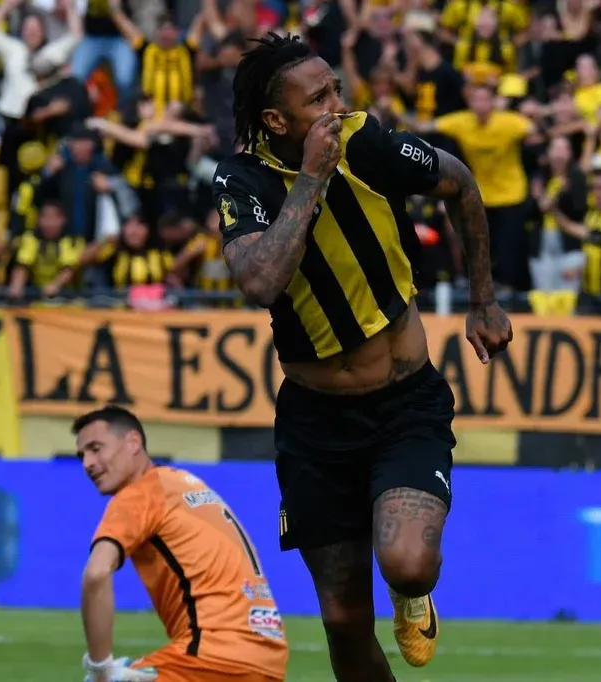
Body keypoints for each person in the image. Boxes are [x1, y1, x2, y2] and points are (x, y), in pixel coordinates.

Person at [213, 32, 512, 681]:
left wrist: (483, 299)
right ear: (277, 121)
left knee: (408, 563)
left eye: (336, 90)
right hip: (315, 426)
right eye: (318, 98)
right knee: (345, 623)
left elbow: (460, 183)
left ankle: (412, 595)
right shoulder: (242, 181)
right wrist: (311, 178)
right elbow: (260, 281)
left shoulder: (366, 143)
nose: (337, 106)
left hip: (403, 406)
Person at [75, 405, 287, 682]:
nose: (87, 463)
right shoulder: (185, 484)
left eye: (96, 448)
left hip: (213, 654)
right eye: (82, 455)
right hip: (267, 655)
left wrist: (100, 668)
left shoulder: (139, 493)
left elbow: (96, 574)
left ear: (133, 442)